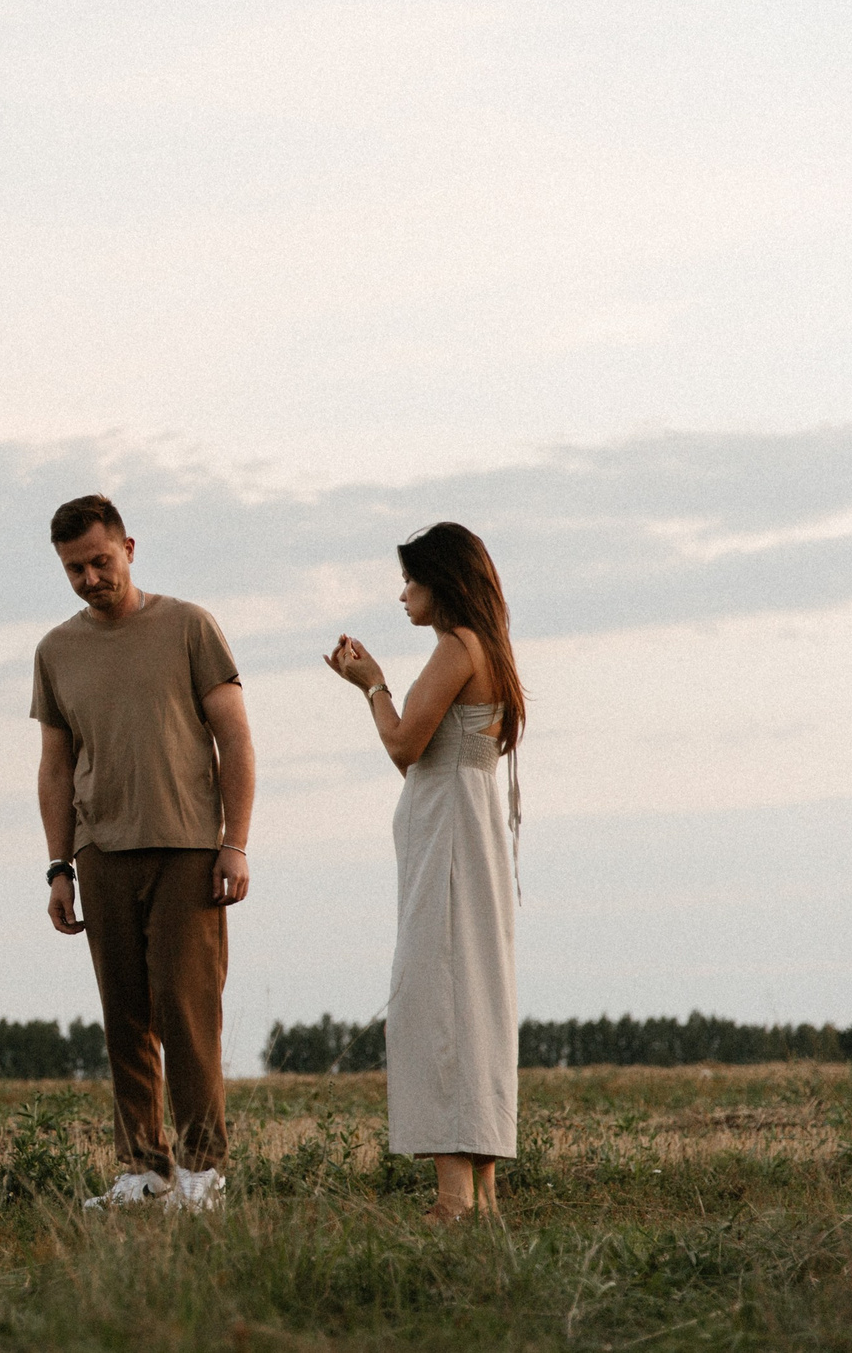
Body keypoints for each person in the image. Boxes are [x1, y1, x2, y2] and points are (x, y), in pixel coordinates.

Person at [33, 495, 255, 1212]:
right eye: (75, 568)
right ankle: (144, 1168)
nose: (91, 577)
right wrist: (59, 864)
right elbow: (56, 766)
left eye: (101, 560)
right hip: (100, 851)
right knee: (123, 1013)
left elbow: (236, 739)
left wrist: (236, 842)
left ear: (129, 546)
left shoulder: (190, 626)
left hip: (189, 846)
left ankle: (201, 1172)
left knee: (187, 1012)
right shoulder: (56, 650)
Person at [325, 522, 525, 1223]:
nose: (402, 591)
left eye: (411, 578)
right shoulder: (491, 648)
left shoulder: (456, 645)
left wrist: (371, 682)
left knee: (434, 997)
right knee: (476, 993)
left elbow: (405, 744)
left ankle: (450, 1196)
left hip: (448, 838)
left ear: (441, 582)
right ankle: (483, 1193)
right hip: (474, 831)